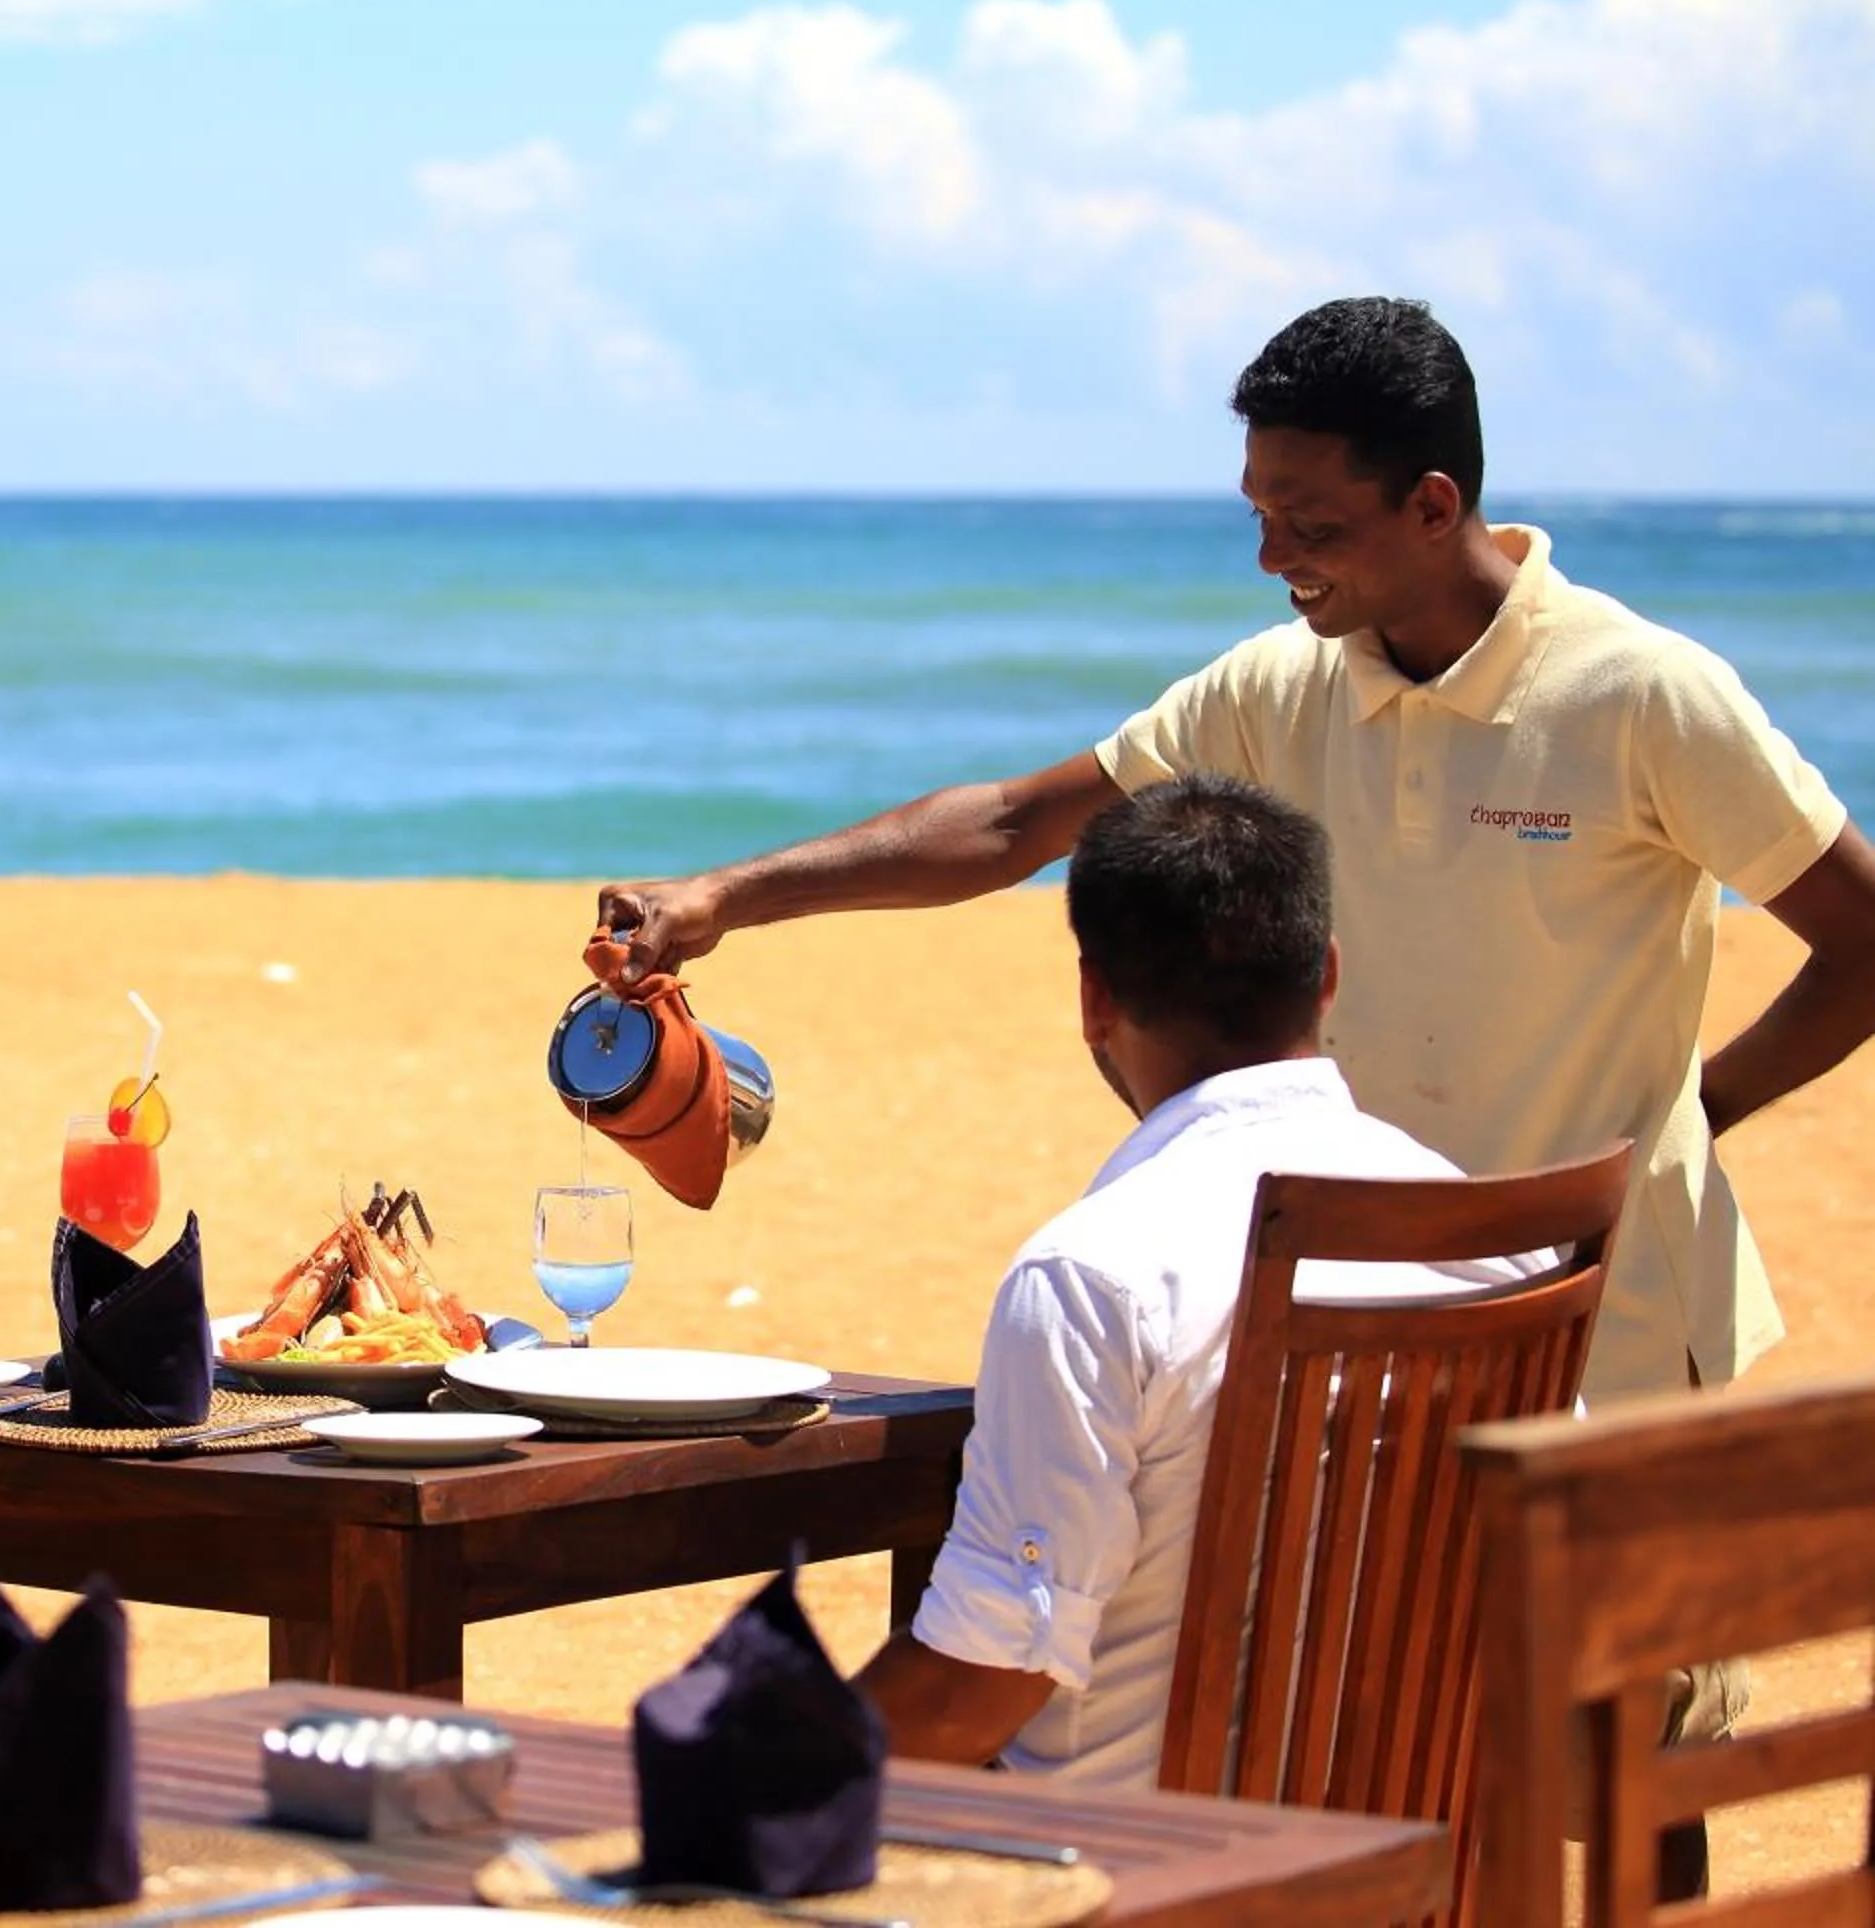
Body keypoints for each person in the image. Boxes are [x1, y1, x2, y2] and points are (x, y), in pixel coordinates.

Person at [604, 295, 1875, 1887]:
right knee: (1389, 1707)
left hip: (1598, 1299)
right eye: (1262, 517)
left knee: (1617, 1740)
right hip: (1342, 1294)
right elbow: (1012, 823)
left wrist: (1697, 1115)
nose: (1280, 559)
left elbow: (1863, 939)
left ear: (1436, 504)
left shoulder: (1641, 694)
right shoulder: (1287, 684)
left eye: (1316, 523)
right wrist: (730, 894)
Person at [848, 772, 1552, 1784]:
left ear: (1095, 1000)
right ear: (1327, 977)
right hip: (1410, 1867)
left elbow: (979, 1689)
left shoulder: (1098, 1275)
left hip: (1142, 1878)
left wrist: (743, 1759)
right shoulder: (1499, 1243)